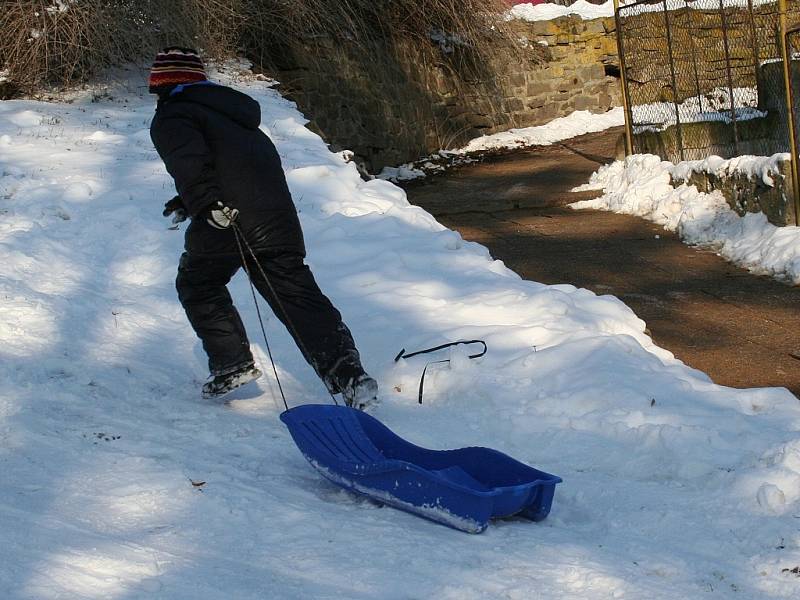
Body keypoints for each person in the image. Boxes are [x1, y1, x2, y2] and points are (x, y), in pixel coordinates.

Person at [148, 47, 378, 408]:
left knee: (197, 283)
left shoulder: (174, 115)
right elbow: (234, 169)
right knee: (297, 296)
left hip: (228, 217)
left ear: (162, 84)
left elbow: (190, 164)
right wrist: (187, 202)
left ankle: (232, 364)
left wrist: (205, 204)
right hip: (277, 219)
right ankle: (350, 377)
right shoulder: (235, 117)